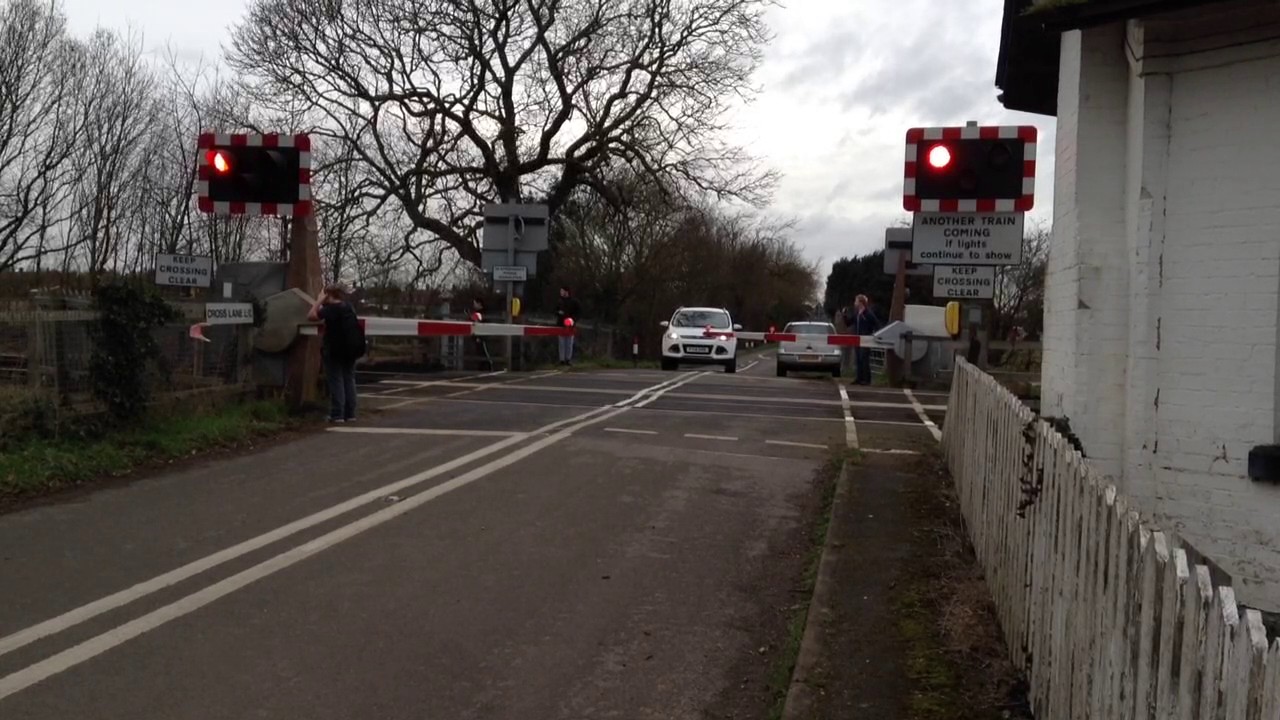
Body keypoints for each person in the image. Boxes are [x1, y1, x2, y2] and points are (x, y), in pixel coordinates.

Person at [307, 283, 361, 422]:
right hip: (351, 349)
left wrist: (318, 301)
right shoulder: (348, 307)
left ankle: (337, 414)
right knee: (349, 379)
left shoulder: (331, 309)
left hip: (334, 350)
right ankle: (350, 413)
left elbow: (311, 316)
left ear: (328, 295)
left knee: (336, 380)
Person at [842, 294, 881, 385]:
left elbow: (876, 324)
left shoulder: (868, 313)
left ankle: (867, 380)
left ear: (861, 302)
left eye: (856, 301)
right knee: (858, 359)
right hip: (857, 339)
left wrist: (874, 334)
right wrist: (844, 315)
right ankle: (859, 378)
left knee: (864, 359)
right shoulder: (857, 314)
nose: (854, 303)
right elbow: (849, 323)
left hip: (866, 339)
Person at [554, 285, 581, 366]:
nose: (561, 292)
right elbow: (555, 310)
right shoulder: (559, 301)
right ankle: (561, 359)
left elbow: (578, 312)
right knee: (561, 342)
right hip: (561, 324)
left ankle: (568, 359)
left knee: (569, 342)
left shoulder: (574, 302)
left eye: (562, 291)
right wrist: (558, 313)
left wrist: (573, 320)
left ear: (566, 292)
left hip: (570, 324)